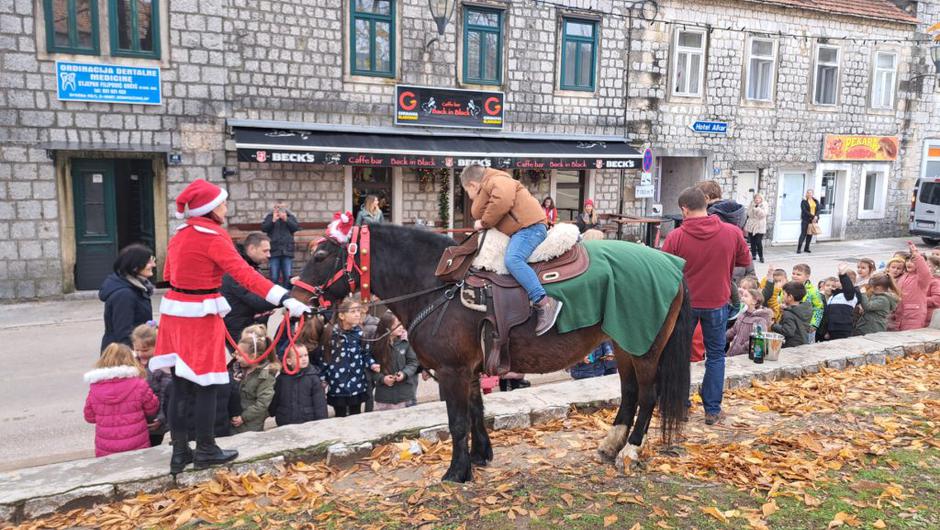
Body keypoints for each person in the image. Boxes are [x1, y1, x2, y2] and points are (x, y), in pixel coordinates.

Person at [149, 178, 310, 474]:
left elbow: (169, 272)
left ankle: (180, 452)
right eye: (222, 203)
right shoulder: (214, 236)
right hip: (200, 316)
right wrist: (285, 297)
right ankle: (207, 448)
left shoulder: (180, 234)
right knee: (209, 385)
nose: (225, 207)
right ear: (210, 208)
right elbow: (245, 276)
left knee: (181, 387)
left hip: (175, 314)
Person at [662, 187, 751, 425]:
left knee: (679, 355)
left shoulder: (676, 237)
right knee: (715, 356)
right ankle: (712, 409)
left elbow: (664, 271)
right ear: (707, 204)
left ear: (684, 209)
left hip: (684, 304)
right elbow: (745, 260)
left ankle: (679, 406)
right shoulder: (732, 232)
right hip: (717, 302)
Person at [460, 164, 561, 336]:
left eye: (468, 192)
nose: (470, 197)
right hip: (521, 230)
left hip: (530, 228)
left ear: (472, 185)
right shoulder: (492, 182)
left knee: (513, 259)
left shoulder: (497, 180)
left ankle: (544, 302)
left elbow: (503, 200)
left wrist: (484, 222)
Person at [84, 343, 159, 457]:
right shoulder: (139, 384)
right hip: (137, 443)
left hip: (106, 447)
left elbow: (89, 417)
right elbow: (152, 409)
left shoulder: (95, 388)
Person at [318, 297, 381, 417]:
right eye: (353, 312)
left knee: (355, 414)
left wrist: (372, 364)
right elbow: (324, 357)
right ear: (342, 316)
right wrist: (323, 377)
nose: (358, 314)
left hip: (357, 383)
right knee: (340, 415)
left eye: (358, 311)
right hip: (337, 384)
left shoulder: (361, 333)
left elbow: (365, 354)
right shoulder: (331, 333)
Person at [99, 244, 156, 351]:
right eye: (149, 261)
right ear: (135, 267)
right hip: (122, 357)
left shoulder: (138, 288)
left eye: (152, 259)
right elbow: (124, 334)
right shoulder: (125, 295)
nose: (153, 264)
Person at [222, 232, 276, 343]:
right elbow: (257, 300)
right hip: (239, 329)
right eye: (265, 251)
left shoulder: (251, 267)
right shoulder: (236, 271)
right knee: (250, 359)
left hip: (249, 325)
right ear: (252, 249)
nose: (269, 255)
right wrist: (285, 298)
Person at [131, 323, 171, 447]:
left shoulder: (161, 366)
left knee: (152, 445)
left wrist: (161, 418)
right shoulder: (132, 362)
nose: (140, 353)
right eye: (137, 350)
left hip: (155, 420)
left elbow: (166, 394)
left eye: (145, 350)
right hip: (136, 417)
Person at [371, 311, 420, 411]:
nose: (401, 327)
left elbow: (413, 363)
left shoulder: (406, 342)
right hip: (384, 396)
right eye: (397, 325)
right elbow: (371, 367)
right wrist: (382, 379)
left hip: (405, 394)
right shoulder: (376, 345)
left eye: (402, 324)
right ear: (387, 328)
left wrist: (404, 374)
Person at [269, 344, 328, 426]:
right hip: (285, 420)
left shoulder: (313, 378)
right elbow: (276, 398)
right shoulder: (282, 378)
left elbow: (320, 404)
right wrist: (271, 411)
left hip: (307, 421)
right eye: (299, 357)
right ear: (289, 361)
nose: (304, 359)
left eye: (306, 355)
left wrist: (322, 422)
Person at [233, 326, 278, 433]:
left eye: (240, 355)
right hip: (236, 419)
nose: (237, 358)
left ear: (253, 356)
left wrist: (244, 417)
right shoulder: (239, 369)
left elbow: (262, 403)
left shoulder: (265, 376)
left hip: (250, 424)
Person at [891, 241, 932, 331]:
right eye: (908, 260)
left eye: (913, 261)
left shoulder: (922, 279)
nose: (909, 263)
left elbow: (924, 271)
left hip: (914, 317)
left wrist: (916, 254)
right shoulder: (903, 276)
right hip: (899, 316)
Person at [262, 201, 301, 289]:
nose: (279, 209)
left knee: (287, 276)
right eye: (277, 207)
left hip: (287, 250)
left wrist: (286, 219)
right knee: (274, 276)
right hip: (274, 250)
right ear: (274, 208)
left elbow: (296, 227)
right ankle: (274, 295)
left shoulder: (290, 217)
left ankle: (287, 294)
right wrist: (273, 221)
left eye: (282, 207)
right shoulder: (270, 217)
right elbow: (264, 228)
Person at [725, 288, 773, 357]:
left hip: (746, 356)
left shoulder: (760, 320)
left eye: (746, 296)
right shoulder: (742, 315)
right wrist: (721, 339)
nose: (742, 298)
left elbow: (758, 339)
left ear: (754, 301)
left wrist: (742, 348)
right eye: (742, 296)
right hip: (734, 353)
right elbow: (733, 331)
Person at [820, 265, 857, 341]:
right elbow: (828, 315)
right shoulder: (834, 295)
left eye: (839, 280)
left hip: (842, 329)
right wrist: (826, 331)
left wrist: (843, 275)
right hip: (831, 329)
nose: (836, 282)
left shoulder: (849, 295)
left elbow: (848, 288)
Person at [772, 282, 813, 348]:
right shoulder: (805, 309)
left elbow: (788, 331)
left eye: (784, 294)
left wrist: (773, 326)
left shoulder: (788, 313)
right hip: (803, 343)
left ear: (790, 297)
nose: (782, 296)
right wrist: (787, 308)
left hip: (791, 346)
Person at [790, 264, 824, 344]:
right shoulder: (789, 287)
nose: (794, 276)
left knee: (807, 347)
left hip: (807, 326)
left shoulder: (813, 291)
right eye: (793, 273)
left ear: (807, 276)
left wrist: (814, 324)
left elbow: (818, 308)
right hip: (792, 324)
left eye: (798, 274)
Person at [744, 194, 768, 263]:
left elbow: (763, 214)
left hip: (760, 225)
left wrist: (757, 209)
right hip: (751, 225)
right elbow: (749, 213)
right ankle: (754, 255)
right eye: (756, 198)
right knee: (752, 241)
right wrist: (753, 209)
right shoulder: (751, 204)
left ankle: (761, 256)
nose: (757, 199)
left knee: (758, 241)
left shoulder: (764, 204)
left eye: (759, 198)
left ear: (761, 199)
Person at [797, 189, 819, 254]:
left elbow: (818, 209)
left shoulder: (815, 201)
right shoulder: (803, 201)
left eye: (811, 193)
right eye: (808, 193)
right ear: (806, 194)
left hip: (813, 220)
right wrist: (813, 216)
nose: (809, 194)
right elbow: (804, 210)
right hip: (806, 220)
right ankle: (799, 249)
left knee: (810, 234)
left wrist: (816, 216)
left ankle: (807, 248)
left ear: (813, 194)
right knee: (803, 234)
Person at [925, 256, 940, 327]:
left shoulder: (935, 281)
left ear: (936, 268)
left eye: (929, 266)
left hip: (928, 317)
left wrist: (919, 300)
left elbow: (937, 300)